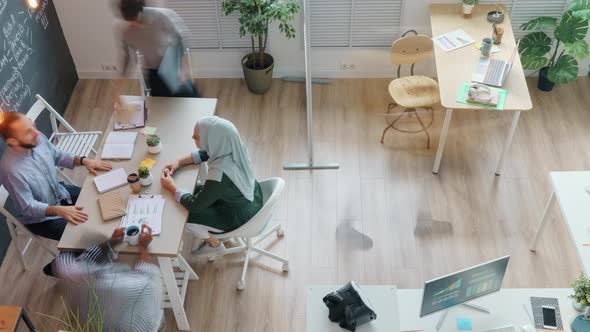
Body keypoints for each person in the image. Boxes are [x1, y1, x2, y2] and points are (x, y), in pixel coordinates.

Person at [0, 112, 112, 241]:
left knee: (100, 198)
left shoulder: (36, 138)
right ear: (12, 141)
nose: (36, 133)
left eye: (33, 125)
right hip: (41, 219)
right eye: (27, 132)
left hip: (60, 193)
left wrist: (84, 160)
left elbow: (57, 155)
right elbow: (27, 207)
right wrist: (60, 210)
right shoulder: (12, 171)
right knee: (86, 234)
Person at [160, 116, 263, 255]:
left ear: (213, 140)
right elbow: (205, 154)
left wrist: (171, 186)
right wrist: (178, 162)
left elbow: (195, 206)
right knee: (194, 191)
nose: (192, 137)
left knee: (185, 215)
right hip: (251, 196)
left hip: (237, 216)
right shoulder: (230, 145)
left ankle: (214, 244)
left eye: (196, 136)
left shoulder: (220, 174)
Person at [54, 225, 164, 332]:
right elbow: (149, 277)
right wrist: (143, 247)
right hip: (146, 326)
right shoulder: (125, 286)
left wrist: (111, 242)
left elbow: (87, 259)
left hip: (101, 325)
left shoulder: (70, 278)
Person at [114, 0, 198, 99]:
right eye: (131, 21)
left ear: (141, 10)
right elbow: (127, 60)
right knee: (159, 105)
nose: (136, 24)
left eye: (137, 18)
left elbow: (180, 37)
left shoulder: (160, 15)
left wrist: (183, 68)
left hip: (173, 66)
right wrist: (118, 89)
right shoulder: (127, 32)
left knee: (189, 100)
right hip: (153, 72)